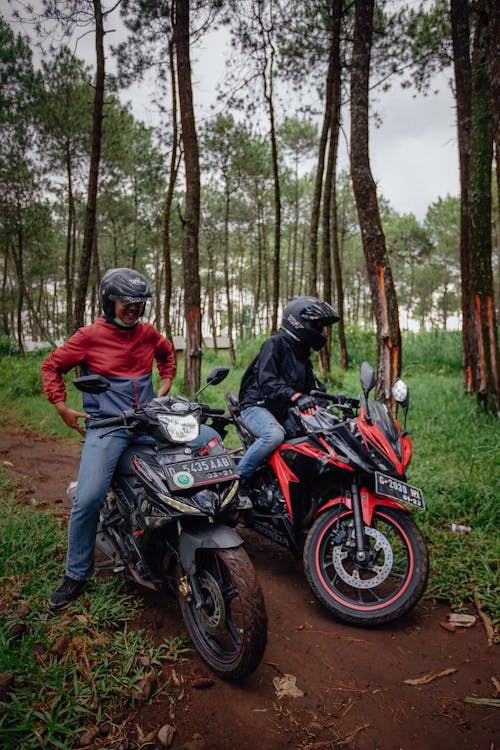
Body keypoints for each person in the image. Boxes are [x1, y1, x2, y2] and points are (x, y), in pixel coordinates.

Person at [42, 268, 179, 611]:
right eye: (126, 302)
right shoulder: (89, 336)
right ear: (108, 301)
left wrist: (164, 385)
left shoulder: (148, 333)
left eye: (139, 302)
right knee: (88, 499)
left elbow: (167, 355)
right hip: (107, 426)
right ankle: (75, 574)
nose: (134, 308)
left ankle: (166, 547)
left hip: (147, 422)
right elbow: (51, 367)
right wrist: (62, 407)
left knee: (186, 464)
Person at [236, 296, 339, 504]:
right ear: (299, 321)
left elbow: (314, 389)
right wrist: (296, 396)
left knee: (317, 438)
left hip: (281, 409)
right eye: (317, 325)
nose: (321, 331)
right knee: (274, 435)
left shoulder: (302, 353)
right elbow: (267, 381)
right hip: (256, 406)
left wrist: (332, 407)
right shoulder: (274, 344)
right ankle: (237, 483)